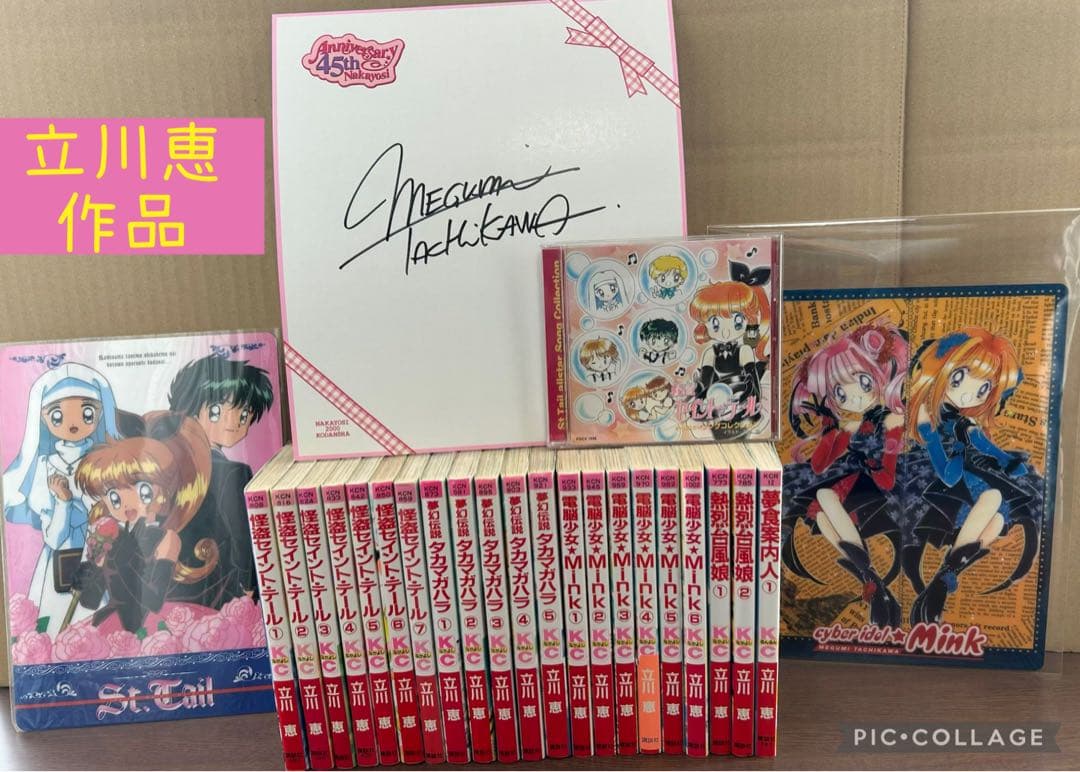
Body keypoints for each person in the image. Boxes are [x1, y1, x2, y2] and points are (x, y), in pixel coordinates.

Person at [904, 327, 1038, 624]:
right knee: (993, 497)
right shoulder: (928, 414)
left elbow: (987, 446)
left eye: (983, 388)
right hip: (943, 480)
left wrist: (1007, 461)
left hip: (970, 477)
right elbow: (945, 470)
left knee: (998, 521)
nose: (968, 394)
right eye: (959, 378)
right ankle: (941, 581)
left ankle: (941, 581)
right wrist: (958, 452)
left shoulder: (967, 422)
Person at [783, 323, 907, 628]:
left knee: (824, 497)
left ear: (877, 374)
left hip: (880, 491)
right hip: (851, 488)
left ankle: (871, 579)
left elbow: (889, 477)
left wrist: (869, 463)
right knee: (822, 517)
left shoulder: (892, 420)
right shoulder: (851, 425)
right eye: (840, 392)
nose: (853, 397)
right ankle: (873, 582)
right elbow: (819, 466)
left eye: (862, 382)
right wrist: (830, 430)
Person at [71, 411, 215, 634]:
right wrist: (91, 569)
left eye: (142, 489)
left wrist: (125, 560)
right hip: (113, 625)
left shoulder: (166, 539)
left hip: (153, 625)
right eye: (114, 497)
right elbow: (90, 601)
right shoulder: (112, 536)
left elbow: (153, 601)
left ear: (164, 492)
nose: (127, 504)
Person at [3, 364, 121, 635]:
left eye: (87, 412)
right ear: (43, 418)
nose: (72, 423)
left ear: (100, 413)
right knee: (55, 626)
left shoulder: (103, 463)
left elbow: (112, 519)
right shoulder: (44, 467)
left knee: (101, 626)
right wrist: (64, 503)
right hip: (57, 565)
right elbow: (54, 539)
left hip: (99, 558)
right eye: (57, 415)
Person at [166, 354, 274, 608]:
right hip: (222, 587)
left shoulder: (169, 468)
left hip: (171, 587)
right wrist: (249, 584)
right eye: (216, 411)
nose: (233, 423)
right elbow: (243, 539)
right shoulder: (234, 472)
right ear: (190, 410)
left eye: (244, 415)